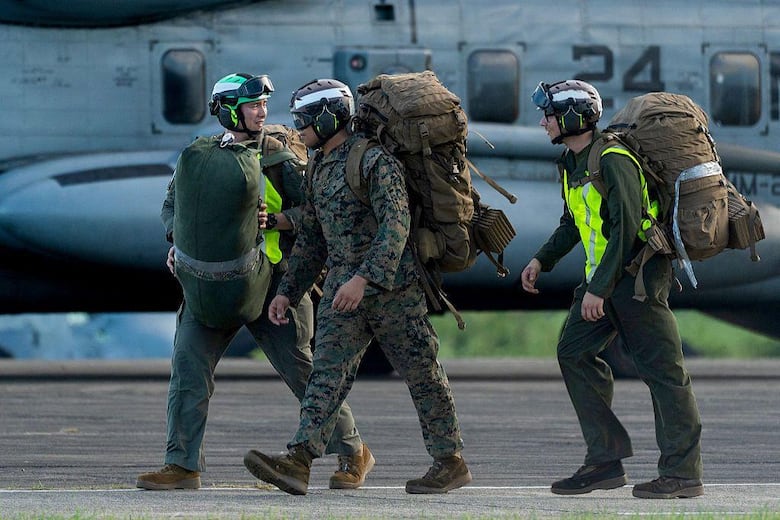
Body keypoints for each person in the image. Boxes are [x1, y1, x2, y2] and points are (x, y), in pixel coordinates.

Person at [137, 73, 373, 491]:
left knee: (303, 374)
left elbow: (318, 213)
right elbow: (172, 205)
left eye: (263, 104)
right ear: (230, 111)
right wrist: (180, 241)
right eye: (252, 105)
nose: (262, 111)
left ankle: (354, 452)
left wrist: (279, 221)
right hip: (212, 285)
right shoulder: (202, 157)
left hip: (275, 286)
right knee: (188, 369)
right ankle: (182, 465)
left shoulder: (280, 160)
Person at [242, 78, 472, 495]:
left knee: (422, 374)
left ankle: (450, 461)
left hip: (393, 291)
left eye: (305, 119)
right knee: (326, 376)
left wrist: (364, 279)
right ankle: (298, 462)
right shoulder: (318, 166)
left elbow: (396, 227)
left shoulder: (374, 161)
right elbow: (313, 235)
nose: (298, 128)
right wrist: (287, 291)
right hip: (342, 290)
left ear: (329, 117)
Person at [521, 79, 704, 499]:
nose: (543, 123)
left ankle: (682, 473)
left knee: (665, 373)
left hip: (637, 278)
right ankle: (605, 460)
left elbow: (627, 227)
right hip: (603, 279)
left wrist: (599, 289)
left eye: (549, 115)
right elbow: (573, 222)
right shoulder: (572, 163)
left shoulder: (613, 159)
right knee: (573, 352)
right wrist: (541, 259)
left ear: (573, 117)